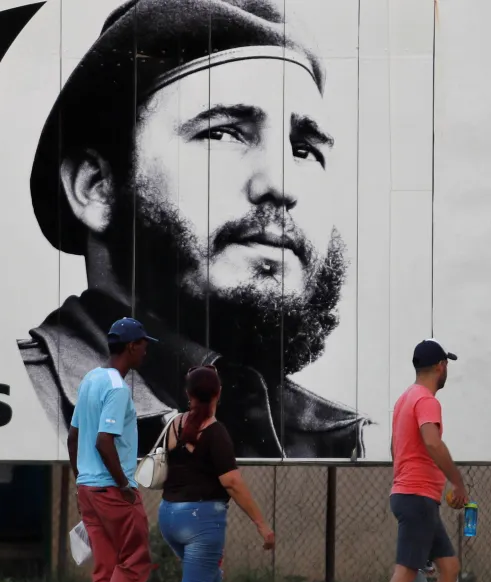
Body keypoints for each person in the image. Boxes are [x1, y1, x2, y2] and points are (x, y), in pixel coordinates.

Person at [19, 0, 371, 462]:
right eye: (223, 133)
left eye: (303, 150)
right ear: (97, 188)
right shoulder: (20, 402)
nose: (282, 185)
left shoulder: (347, 439)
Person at [372, 339, 491, 582]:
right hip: (416, 497)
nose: (447, 369)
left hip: (416, 495)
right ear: (441, 367)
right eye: (446, 364)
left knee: (449, 567)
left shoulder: (404, 400)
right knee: (407, 569)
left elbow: (396, 449)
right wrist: (456, 480)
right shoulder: (426, 400)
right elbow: (432, 442)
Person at [157, 365, 276, 582]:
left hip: (168, 516)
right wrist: (262, 525)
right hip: (201, 522)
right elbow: (232, 482)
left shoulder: (174, 425)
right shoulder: (215, 431)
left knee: (211, 579)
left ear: (188, 394)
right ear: (218, 394)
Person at [67, 317, 156, 582]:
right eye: (144, 344)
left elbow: (75, 436)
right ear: (131, 346)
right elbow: (105, 441)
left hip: (89, 489)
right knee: (136, 563)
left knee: (106, 568)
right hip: (111, 491)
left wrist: (81, 477)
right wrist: (124, 485)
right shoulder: (118, 389)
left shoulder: (92, 379)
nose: (146, 350)